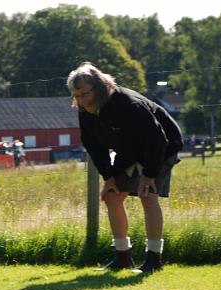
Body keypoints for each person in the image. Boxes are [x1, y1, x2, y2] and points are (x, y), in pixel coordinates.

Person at [67, 62, 182, 273]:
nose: (81, 100)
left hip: (161, 147)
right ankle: (122, 258)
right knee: (112, 196)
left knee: (148, 196)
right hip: (129, 149)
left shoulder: (129, 104)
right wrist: (108, 177)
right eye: (76, 95)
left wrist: (149, 176)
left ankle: (153, 260)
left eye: (85, 94)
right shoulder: (85, 109)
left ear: (99, 87)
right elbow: (93, 144)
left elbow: (157, 140)